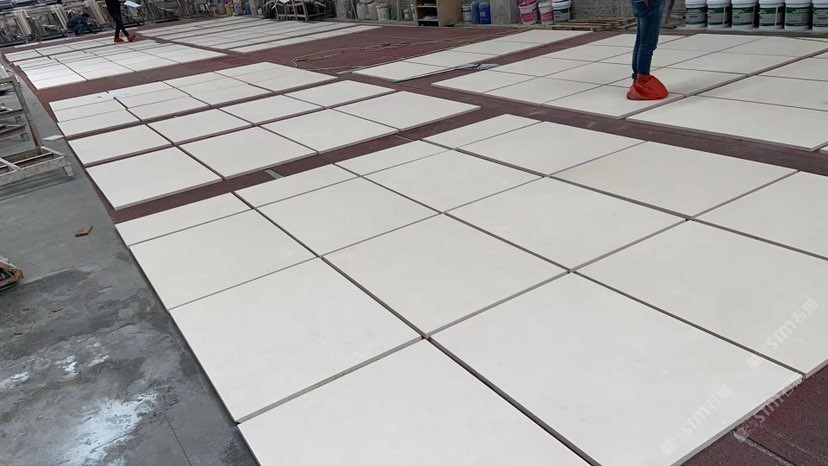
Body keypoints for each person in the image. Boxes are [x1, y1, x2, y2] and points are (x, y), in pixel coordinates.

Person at [627, 0, 669, 100]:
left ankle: (638, 77)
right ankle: (643, 81)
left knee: (641, 41)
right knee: (648, 43)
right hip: (649, 3)